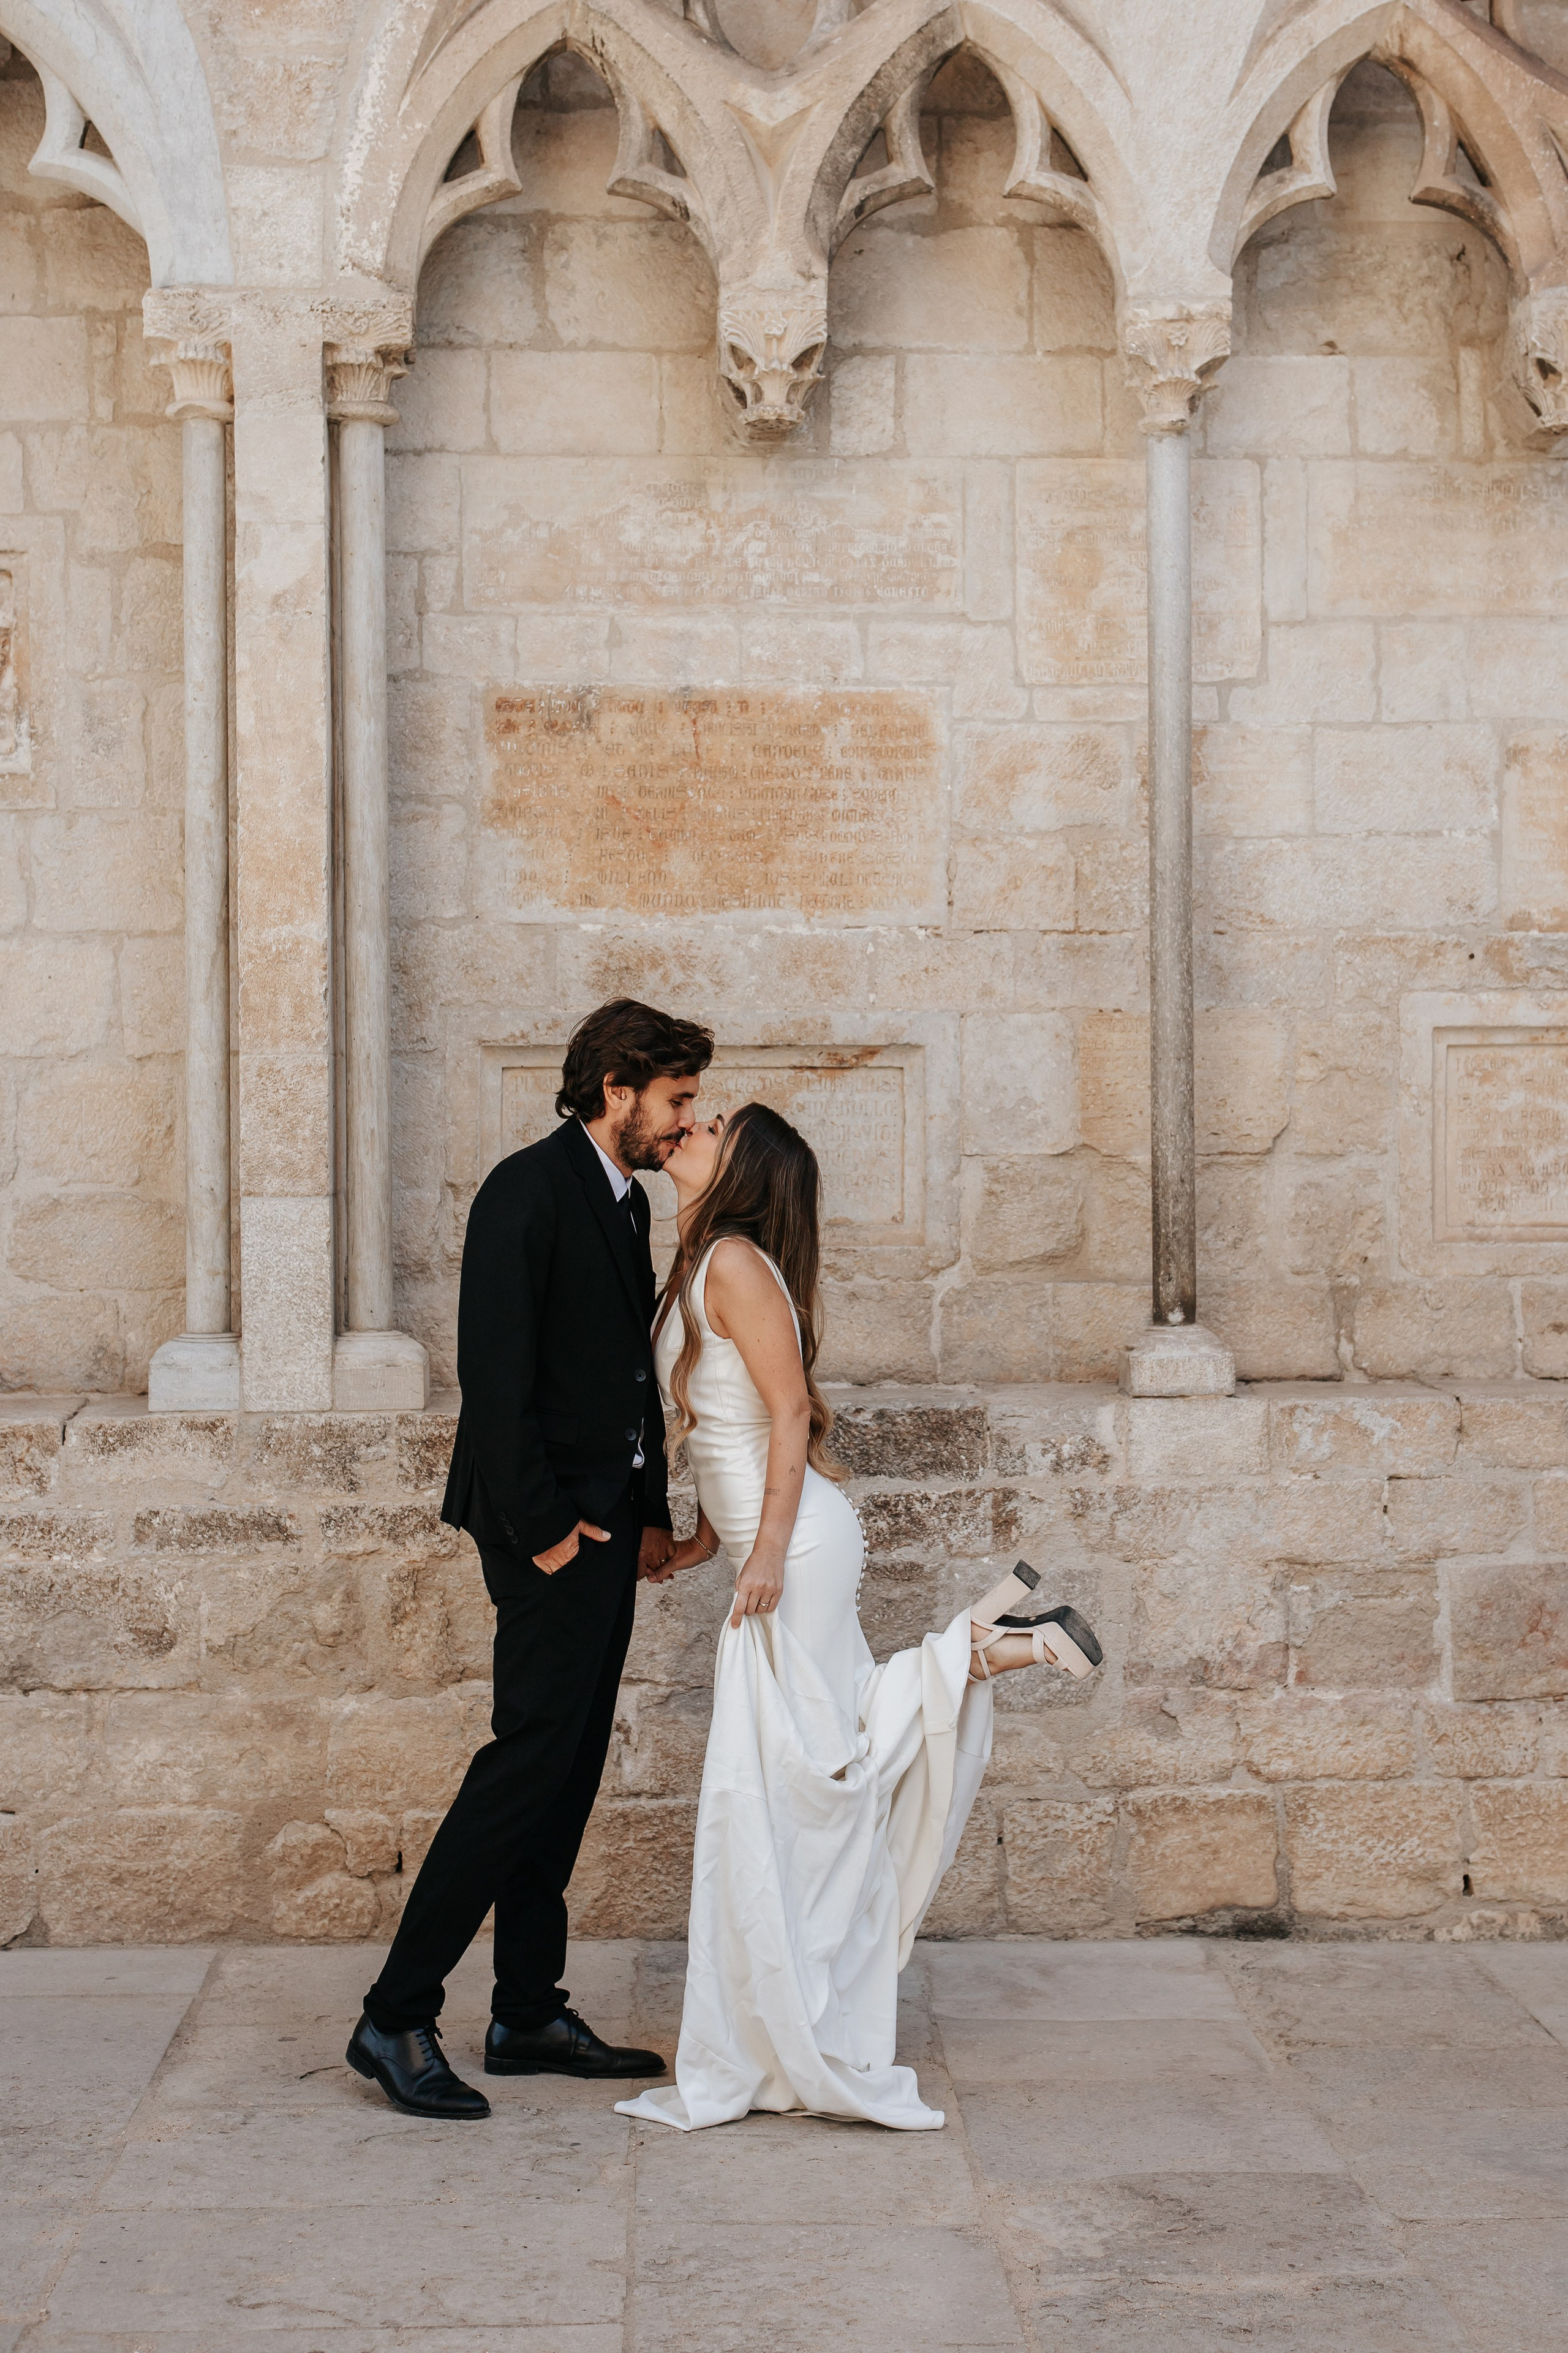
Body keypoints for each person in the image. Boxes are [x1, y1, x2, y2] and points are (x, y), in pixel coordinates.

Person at [619, 1103, 1102, 2134]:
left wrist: (759, 1550)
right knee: (808, 1763)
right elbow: (721, 1423)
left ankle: (991, 1650)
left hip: (796, 1546)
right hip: (776, 1539)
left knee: (806, 1777)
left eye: (715, 1124)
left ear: (742, 1168)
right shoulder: (703, 1259)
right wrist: (706, 1541)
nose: (692, 1122)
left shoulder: (733, 1261)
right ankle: (988, 1647)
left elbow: (790, 1411)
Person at [346, 999, 714, 2119]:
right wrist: (551, 1528)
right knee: (522, 1767)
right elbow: (495, 1381)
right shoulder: (525, 1190)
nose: (685, 1119)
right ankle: (396, 2013)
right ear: (616, 1089)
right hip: (543, 1531)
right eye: (677, 1098)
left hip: (604, 1526)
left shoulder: (623, 1200)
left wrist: (649, 1511)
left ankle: (526, 2011)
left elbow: (624, 1379)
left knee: (567, 1767)